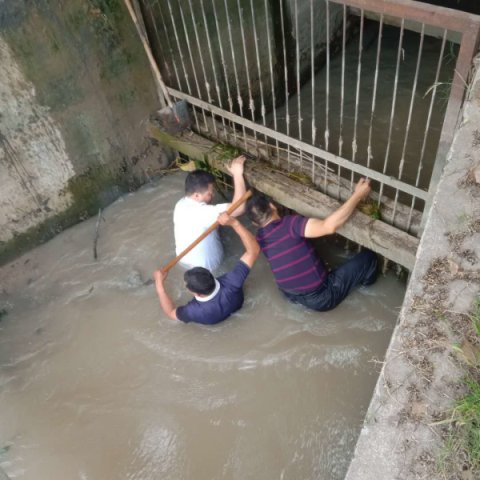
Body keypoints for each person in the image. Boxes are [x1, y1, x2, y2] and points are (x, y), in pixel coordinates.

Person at [246, 178, 378, 312]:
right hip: (321, 298)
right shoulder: (291, 224)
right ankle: (366, 287)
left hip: (289, 295)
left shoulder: (260, 237)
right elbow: (329, 227)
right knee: (369, 258)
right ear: (273, 206)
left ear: (255, 224)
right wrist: (358, 195)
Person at [153, 213, 260, 325]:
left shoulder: (193, 311)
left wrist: (159, 285)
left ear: (197, 294)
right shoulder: (232, 281)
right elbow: (253, 251)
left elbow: (170, 313)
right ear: (211, 276)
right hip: (238, 305)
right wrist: (235, 223)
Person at [173, 156, 247, 271]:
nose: (212, 197)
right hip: (208, 271)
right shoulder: (203, 212)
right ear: (197, 195)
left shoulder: (180, 204)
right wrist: (237, 174)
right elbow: (239, 208)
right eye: (210, 194)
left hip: (184, 262)